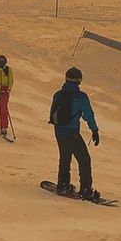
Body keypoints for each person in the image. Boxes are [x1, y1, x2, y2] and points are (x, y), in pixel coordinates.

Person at [48, 66, 101, 201]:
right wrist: (94, 130)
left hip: (59, 130)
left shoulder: (58, 94)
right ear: (79, 80)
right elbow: (89, 115)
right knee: (84, 160)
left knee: (65, 156)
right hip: (72, 132)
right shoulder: (81, 97)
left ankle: (63, 184)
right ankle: (86, 190)